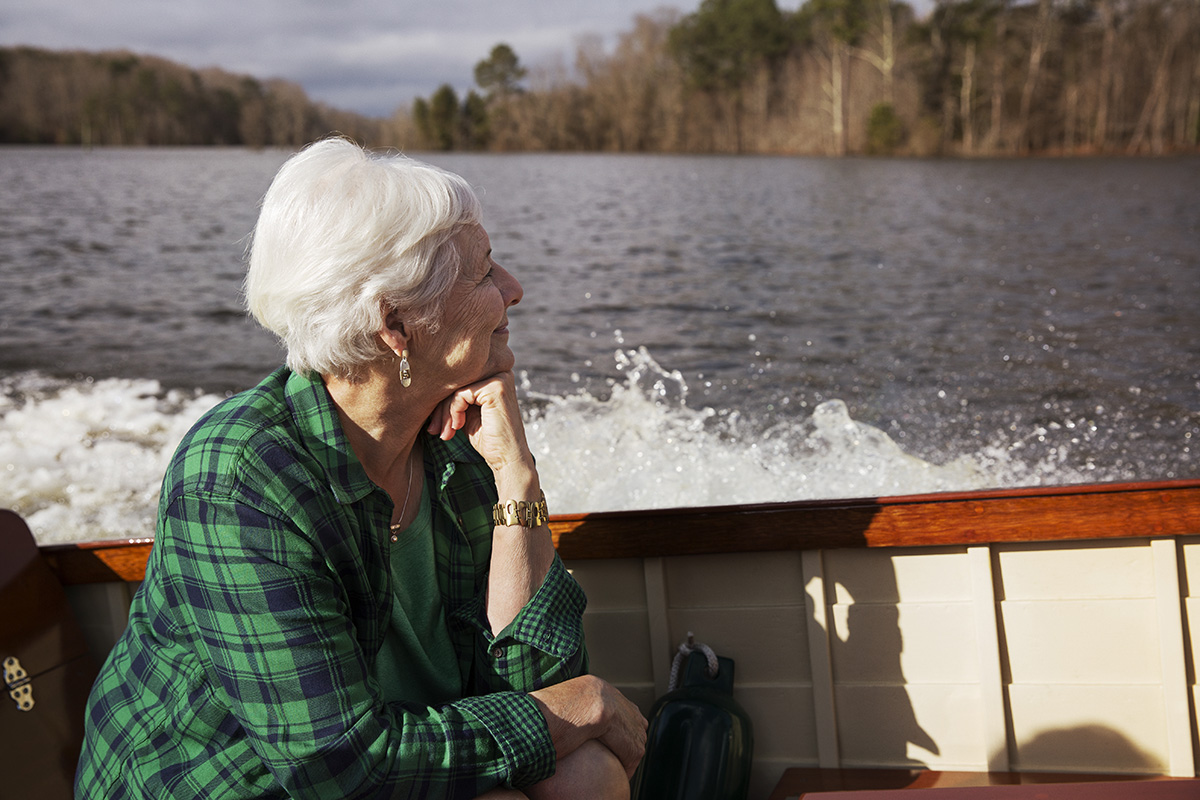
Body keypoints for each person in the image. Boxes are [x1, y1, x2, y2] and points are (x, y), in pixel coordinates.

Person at [76, 138, 647, 800]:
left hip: (391, 762)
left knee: (586, 775)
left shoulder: (451, 445)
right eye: (486, 273)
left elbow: (532, 685)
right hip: (233, 787)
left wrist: (516, 476)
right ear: (394, 324)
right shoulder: (241, 479)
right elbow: (340, 768)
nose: (515, 290)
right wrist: (580, 707)